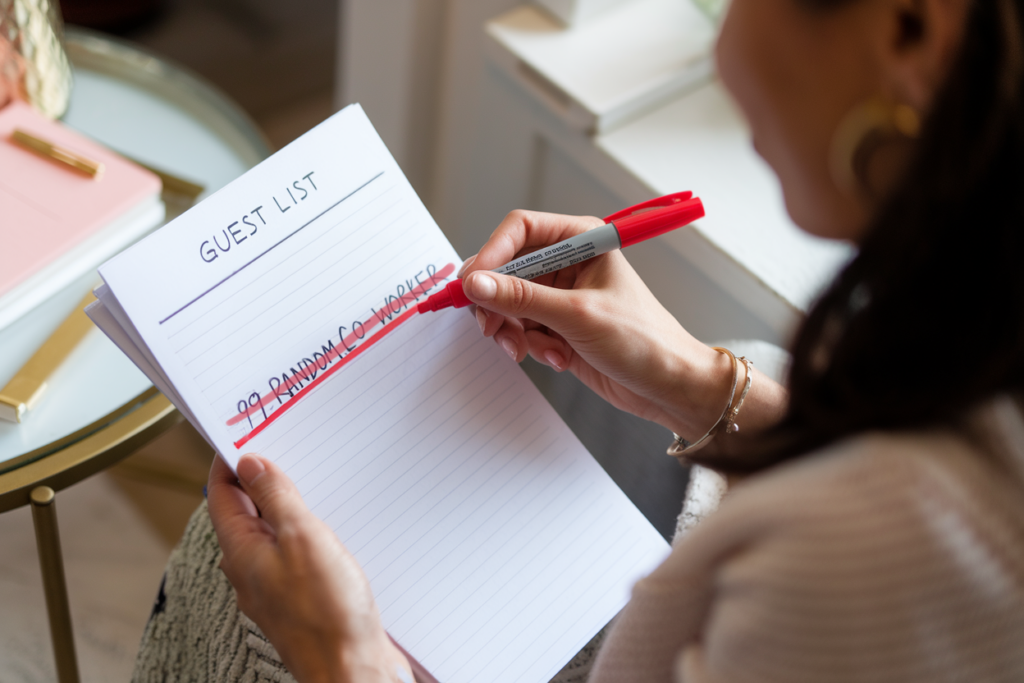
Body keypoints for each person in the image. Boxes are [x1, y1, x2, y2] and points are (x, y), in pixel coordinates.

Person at [200, 0, 1024, 681]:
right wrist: (707, 385)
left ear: (911, 29)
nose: (724, 51)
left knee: (223, 571)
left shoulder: (863, 567)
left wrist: (348, 665)